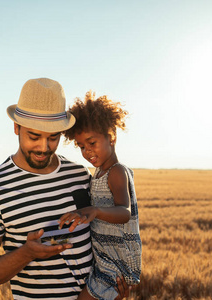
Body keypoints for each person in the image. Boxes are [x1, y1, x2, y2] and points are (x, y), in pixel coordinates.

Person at [0, 78, 130, 300]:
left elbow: (101, 238)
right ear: (16, 127)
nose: (44, 148)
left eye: (53, 138)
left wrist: (111, 290)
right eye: (34, 136)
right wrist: (27, 253)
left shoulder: (80, 176)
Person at [59, 91, 142, 300]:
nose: (87, 151)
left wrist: (94, 211)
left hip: (116, 264)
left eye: (92, 143)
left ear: (111, 136)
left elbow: (124, 212)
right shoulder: (99, 173)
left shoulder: (116, 171)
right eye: (81, 146)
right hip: (105, 259)